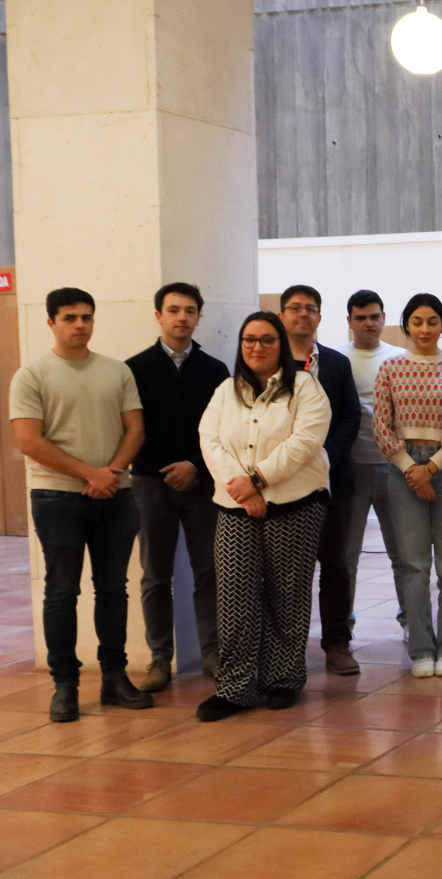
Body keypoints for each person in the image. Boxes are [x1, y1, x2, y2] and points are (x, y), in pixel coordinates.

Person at [11, 288, 153, 722]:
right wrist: (90, 473)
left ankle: (115, 677)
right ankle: (65, 686)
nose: (80, 325)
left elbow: (135, 430)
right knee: (61, 591)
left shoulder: (116, 371)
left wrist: (111, 472)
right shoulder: (31, 375)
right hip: (57, 497)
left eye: (87, 317)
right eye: (70, 317)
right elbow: (29, 440)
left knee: (113, 589)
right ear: (51, 323)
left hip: (115, 495)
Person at [195, 311, 331, 721]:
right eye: (249, 340)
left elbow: (305, 441)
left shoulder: (305, 387)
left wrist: (258, 480)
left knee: (286, 595)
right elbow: (209, 440)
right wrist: (242, 488)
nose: (257, 347)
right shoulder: (226, 390)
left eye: (267, 340)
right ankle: (236, 687)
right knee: (235, 595)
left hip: (296, 502)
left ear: (281, 346)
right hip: (235, 504)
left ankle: (282, 679)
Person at [127, 282, 230, 692]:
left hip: (203, 483)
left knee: (210, 571)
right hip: (150, 483)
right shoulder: (134, 369)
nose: (182, 317)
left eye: (189, 310)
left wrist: (194, 465)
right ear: (159, 316)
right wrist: (168, 468)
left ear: (199, 317)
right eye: (173, 310)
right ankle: (158, 658)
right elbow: (132, 429)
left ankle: (212, 652)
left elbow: (222, 430)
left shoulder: (215, 370)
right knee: (155, 574)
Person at [373, 294, 442, 679]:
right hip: (403, 472)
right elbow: (381, 425)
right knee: (414, 566)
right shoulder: (390, 368)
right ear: (406, 326)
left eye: (433, 321)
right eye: (417, 321)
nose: (425, 329)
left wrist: (431, 467)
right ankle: (420, 650)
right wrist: (410, 468)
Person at [278, 284, 364, 676]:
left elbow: (351, 417)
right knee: (287, 571)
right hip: (281, 480)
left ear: (319, 317)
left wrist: (324, 456)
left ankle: (337, 644)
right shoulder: (267, 361)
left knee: (335, 564)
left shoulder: (336, 363)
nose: (303, 314)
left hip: (331, 479)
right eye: (295, 308)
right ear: (282, 315)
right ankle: (287, 648)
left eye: (310, 308)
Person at [339, 291, 406, 640]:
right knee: (347, 555)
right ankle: (343, 626)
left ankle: (411, 621)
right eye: (361, 317)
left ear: (384, 318)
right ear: (349, 321)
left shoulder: (399, 359)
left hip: (394, 468)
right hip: (351, 470)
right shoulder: (337, 360)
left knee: (403, 553)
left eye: (375, 316)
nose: (369, 323)